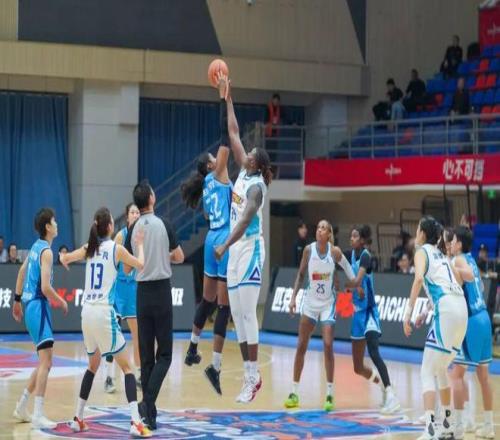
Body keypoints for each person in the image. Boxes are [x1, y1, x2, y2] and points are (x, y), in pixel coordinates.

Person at [59, 207, 151, 437]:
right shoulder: (116, 249)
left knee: (92, 365)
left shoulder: (90, 248)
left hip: (86, 313)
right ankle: (135, 422)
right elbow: (141, 264)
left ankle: (78, 417)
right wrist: (140, 245)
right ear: (110, 226)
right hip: (102, 313)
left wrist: (63, 258)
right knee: (128, 368)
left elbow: (67, 257)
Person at [214, 78, 273, 404]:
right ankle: (250, 375)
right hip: (235, 249)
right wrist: (229, 98)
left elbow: (246, 220)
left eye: (251, 153)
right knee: (236, 314)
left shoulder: (256, 188)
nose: (246, 151)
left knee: (249, 314)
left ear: (257, 163)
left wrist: (225, 244)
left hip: (250, 249)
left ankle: (253, 376)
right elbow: (234, 132)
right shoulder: (243, 172)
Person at [182, 72, 232, 395]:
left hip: (211, 238)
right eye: (214, 158)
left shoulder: (206, 187)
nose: (218, 156)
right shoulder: (219, 173)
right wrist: (223, 97)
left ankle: (191, 348)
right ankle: (215, 365)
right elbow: (226, 135)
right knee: (224, 306)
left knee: (207, 300)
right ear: (211, 165)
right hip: (224, 240)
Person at [125, 180, 184, 430]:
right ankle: (147, 402)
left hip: (142, 293)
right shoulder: (164, 224)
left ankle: (150, 415)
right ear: (151, 198)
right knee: (166, 355)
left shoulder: (132, 229)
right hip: (160, 291)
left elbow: (127, 267)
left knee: (147, 356)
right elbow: (179, 256)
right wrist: (163, 255)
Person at [403, 216, 467, 440]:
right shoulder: (442, 255)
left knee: (426, 371)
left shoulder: (422, 252)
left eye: (417, 228)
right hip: (461, 309)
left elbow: (418, 279)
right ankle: (447, 425)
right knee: (440, 369)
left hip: (447, 310)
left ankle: (430, 428)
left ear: (422, 233)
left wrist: (408, 314)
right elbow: (453, 284)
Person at [284, 220, 356, 411]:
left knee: (328, 344)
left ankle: (330, 394)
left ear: (329, 234)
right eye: (318, 227)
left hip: (327, 303)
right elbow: (301, 275)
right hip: (310, 302)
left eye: (323, 228)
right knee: (301, 345)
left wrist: (355, 283)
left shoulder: (335, 252)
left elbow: (347, 267)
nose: (319, 230)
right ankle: (294, 392)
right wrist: (293, 298)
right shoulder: (308, 250)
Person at [12, 208, 69, 429]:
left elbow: (21, 272)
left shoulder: (36, 246)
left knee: (43, 361)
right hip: (39, 307)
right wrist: (61, 301)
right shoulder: (46, 252)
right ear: (47, 226)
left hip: (30, 308)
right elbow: (45, 287)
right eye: (54, 221)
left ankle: (21, 406)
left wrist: (17, 301)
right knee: (47, 362)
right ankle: (38, 414)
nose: (57, 224)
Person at [347, 225, 400, 414]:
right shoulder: (351, 255)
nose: (351, 239)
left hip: (369, 312)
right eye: (351, 236)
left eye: (355, 236)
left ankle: (392, 395)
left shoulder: (366, 256)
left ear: (362, 240)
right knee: (357, 367)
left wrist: (345, 287)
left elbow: (356, 281)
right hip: (357, 315)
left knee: (374, 352)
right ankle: (382, 386)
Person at [449, 227, 494, 440]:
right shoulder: (472, 260)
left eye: (453, 240)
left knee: (456, 374)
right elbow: (481, 287)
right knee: (483, 377)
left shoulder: (457, 260)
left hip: (473, 321)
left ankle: (458, 425)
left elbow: (462, 279)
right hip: (484, 317)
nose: (450, 243)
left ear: (459, 244)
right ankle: (487, 425)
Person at [103, 203, 141, 394]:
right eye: (132, 212)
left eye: (138, 212)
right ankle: (109, 377)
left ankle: (140, 375)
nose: (135, 214)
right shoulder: (120, 236)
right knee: (113, 335)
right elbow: (111, 262)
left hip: (133, 289)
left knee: (137, 335)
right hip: (118, 288)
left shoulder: (142, 236)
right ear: (127, 217)